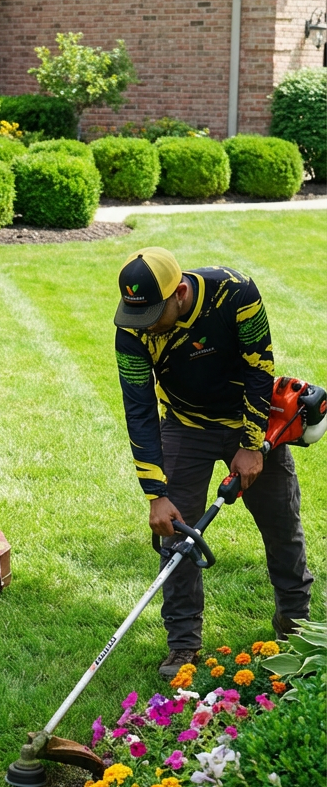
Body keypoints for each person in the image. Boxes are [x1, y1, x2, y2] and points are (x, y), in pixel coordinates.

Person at [114, 246, 312, 679]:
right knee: (177, 539)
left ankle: (295, 624)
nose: (142, 326)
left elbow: (260, 368)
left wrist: (253, 443)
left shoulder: (235, 292)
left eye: (152, 314)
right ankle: (183, 644)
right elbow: (140, 410)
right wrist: (155, 494)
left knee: (281, 523)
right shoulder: (131, 329)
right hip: (185, 425)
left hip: (249, 417)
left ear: (180, 292)